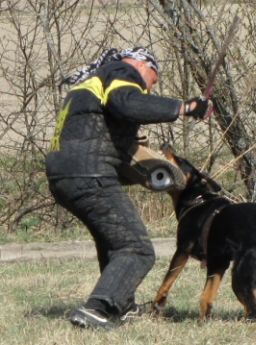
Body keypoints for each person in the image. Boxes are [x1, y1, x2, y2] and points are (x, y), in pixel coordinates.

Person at [45, 47, 210, 330]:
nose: (149, 86)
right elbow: (127, 102)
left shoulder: (92, 84)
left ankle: (122, 306)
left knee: (114, 243)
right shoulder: (121, 72)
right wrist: (184, 107)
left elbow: (104, 134)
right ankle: (97, 310)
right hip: (89, 174)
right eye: (153, 78)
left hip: (63, 175)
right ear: (141, 64)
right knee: (136, 248)